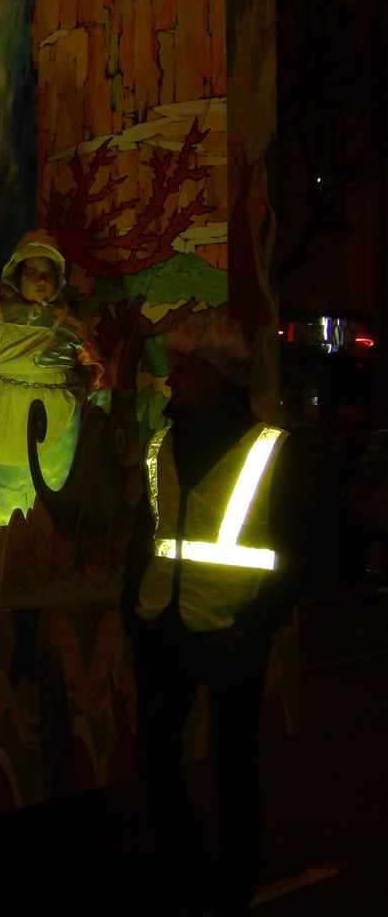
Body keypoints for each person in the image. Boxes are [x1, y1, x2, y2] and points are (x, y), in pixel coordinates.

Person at [123, 306, 331, 915]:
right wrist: (134, 607)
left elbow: (299, 550)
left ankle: (233, 885)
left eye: (184, 368)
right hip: (163, 622)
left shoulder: (269, 449)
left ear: (216, 375)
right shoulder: (162, 443)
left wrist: (255, 625)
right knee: (156, 755)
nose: (173, 378)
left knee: (234, 762)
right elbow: (148, 534)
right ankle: (187, 872)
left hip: (231, 627)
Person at [0, 231, 108, 530]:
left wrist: (101, 412)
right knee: (0, 500)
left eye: (47, 274)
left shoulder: (71, 326)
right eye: (32, 273)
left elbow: (98, 371)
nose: (40, 281)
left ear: (57, 279)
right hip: (4, 416)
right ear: (17, 276)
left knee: (50, 501)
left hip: (56, 420)